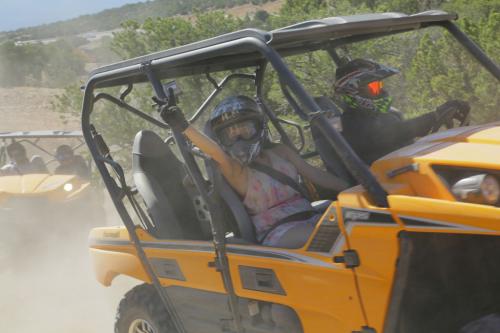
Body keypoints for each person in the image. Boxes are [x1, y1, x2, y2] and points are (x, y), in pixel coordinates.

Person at [160, 95, 349, 248]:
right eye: (232, 133)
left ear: (258, 127)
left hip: (310, 216)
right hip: (278, 232)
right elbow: (214, 152)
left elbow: (315, 174)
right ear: (223, 138)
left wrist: (354, 189)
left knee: (361, 223)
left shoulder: (280, 152)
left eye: (245, 129)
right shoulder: (235, 170)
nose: (239, 138)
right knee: (337, 237)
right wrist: (183, 126)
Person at [334, 58, 470, 165]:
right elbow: (389, 134)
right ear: (353, 91)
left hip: (409, 169)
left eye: (380, 84)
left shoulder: (387, 115)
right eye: (374, 87)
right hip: (386, 185)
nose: (381, 91)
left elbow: (401, 134)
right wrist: (434, 117)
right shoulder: (349, 124)